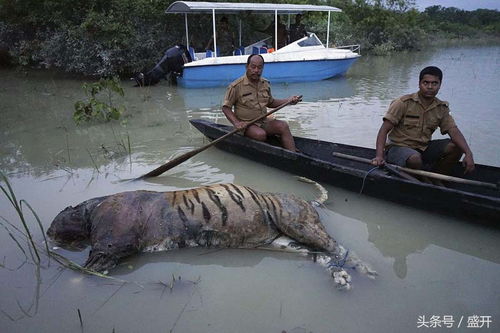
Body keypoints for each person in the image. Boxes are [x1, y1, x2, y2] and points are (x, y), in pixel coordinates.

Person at [371, 66, 475, 183]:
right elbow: (383, 130)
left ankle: (436, 178)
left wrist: (468, 153)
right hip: (398, 148)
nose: (430, 87)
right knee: (415, 159)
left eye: (434, 83)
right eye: (426, 83)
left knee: (456, 147)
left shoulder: (441, 108)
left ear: (440, 85)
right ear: (419, 83)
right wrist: (379, 156)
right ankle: (424, 179)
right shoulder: (403, 103)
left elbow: (454, 131)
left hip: (423, 148)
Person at [222, 54, 302, 151]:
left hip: (263, 122)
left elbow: (271, 102)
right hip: (246, 125)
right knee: (260, 134)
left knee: (283, 126)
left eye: (259, 67)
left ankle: (293, 155)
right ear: (247, 67)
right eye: (253, 67)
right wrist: (237, 123)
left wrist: (288, 100)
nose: (256, 70)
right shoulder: (236, 86)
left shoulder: (265, 84)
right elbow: (226, 108)